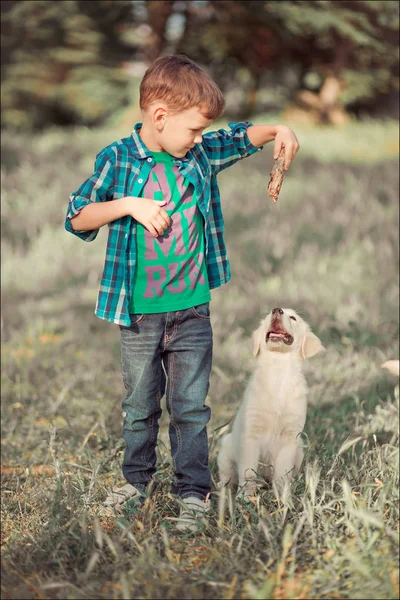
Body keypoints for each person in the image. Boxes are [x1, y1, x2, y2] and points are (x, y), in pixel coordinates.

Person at [65, 54, 299, 532]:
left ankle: (193, 492)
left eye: (201, 133)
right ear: (159, 117)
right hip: (139, 315)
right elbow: (76, 215)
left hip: (192, 312)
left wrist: (279, 130)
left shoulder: (197, 153)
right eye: (193, 130)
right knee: (139, 406)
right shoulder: (118, 158)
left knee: (190, 408)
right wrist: (127, 205)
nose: (198, 139)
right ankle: (135, 482)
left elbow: (236, 138)